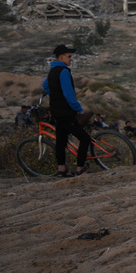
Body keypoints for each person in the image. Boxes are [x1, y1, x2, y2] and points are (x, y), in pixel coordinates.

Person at [41, 44, 90, 177]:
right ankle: (80, 168)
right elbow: (69, 95)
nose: (71, 59)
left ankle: (62, 170)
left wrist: (55, 95)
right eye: (69, 57)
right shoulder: (64, 71)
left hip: (56, 111)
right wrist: (79, 109)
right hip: (66, 112)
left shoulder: (52, 71)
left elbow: (45, 86)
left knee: (61, 141)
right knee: (85, 139)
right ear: (61, 57)